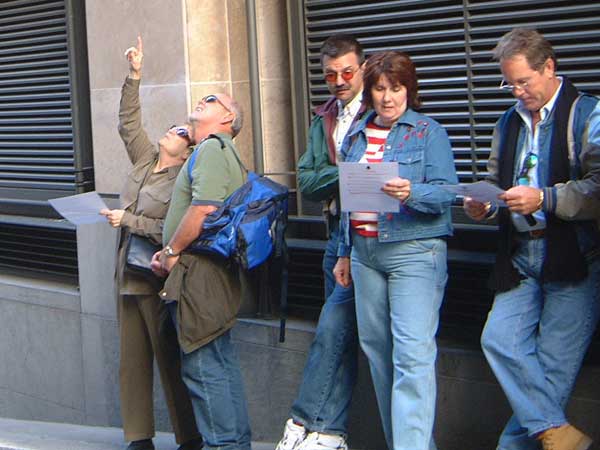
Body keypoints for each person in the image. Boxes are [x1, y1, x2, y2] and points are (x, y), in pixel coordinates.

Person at [463, 28, 600, 450]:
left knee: (553, 370)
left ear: (549, 67)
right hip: (521, 256)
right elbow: (493, 177)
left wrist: (545, 197)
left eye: (524, 81)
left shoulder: (588, 115)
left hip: (575, 257)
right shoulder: (509, 122)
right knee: (497, 340)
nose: (517, 91)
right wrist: (484, 203)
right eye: (509, 82)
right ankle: (559, 436)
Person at [334, 50, 458, 450]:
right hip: (364, 253)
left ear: (409, 89)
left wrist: (412, 192)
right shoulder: (356, 132)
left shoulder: (428, 132)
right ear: (369, 92)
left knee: (412, 358)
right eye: (380, 89)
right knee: (379, 354)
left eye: (396, 88)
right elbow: (346, 196)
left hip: (413, 251)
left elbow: (445, 193)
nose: (388, 97)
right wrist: (342, 251)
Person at [100, 37, 203, 450]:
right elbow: (128, 123)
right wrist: (134, 75)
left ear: (187, 150)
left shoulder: (183, 179)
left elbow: (170, 229)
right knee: (131, 363)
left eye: (180, 131)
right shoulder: (145, 158)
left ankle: (188, 438)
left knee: (168, 360)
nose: (171, 130)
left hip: (156, 276)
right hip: (126, 270)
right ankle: (138, 438)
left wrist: (129, 219)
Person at [276, 34, 366, 450]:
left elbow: (388, 172)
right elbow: (307, 181)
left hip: (372, 237)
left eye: (347, 71)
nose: (339, 80)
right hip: (335, 237)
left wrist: (342, 176)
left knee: (338, 333)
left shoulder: (381, 107)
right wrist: (348, 172)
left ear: (362, 68)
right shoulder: (323, 117)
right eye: (331, 74)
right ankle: (329, 432)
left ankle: (310, 425)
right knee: (337, 335)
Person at [151, 91, 251, 450]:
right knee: (218, 363)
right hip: (207, 270)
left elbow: (204, 208)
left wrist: (171, 250)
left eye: (212, 99)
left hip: (198, 273)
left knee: (203, 369)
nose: (201, 101)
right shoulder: (219, 152)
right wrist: (169, 251)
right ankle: (234, 444)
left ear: (227, 118)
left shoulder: (212, 149)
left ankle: (223, 445)